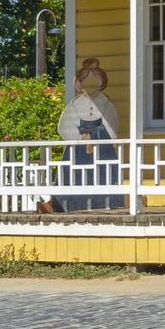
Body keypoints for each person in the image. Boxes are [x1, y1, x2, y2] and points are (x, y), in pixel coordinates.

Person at [40, 57, 121, 213]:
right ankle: (62, 203)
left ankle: (109, 201)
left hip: (101, 145)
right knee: (73, 173)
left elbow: (112, 123)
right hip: (78, 147)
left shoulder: (105, 103)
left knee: (103, 172)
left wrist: (109, 142)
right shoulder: (76, 105)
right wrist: (78, 137)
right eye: (85, 83)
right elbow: (64, 126)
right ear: (79, 84)